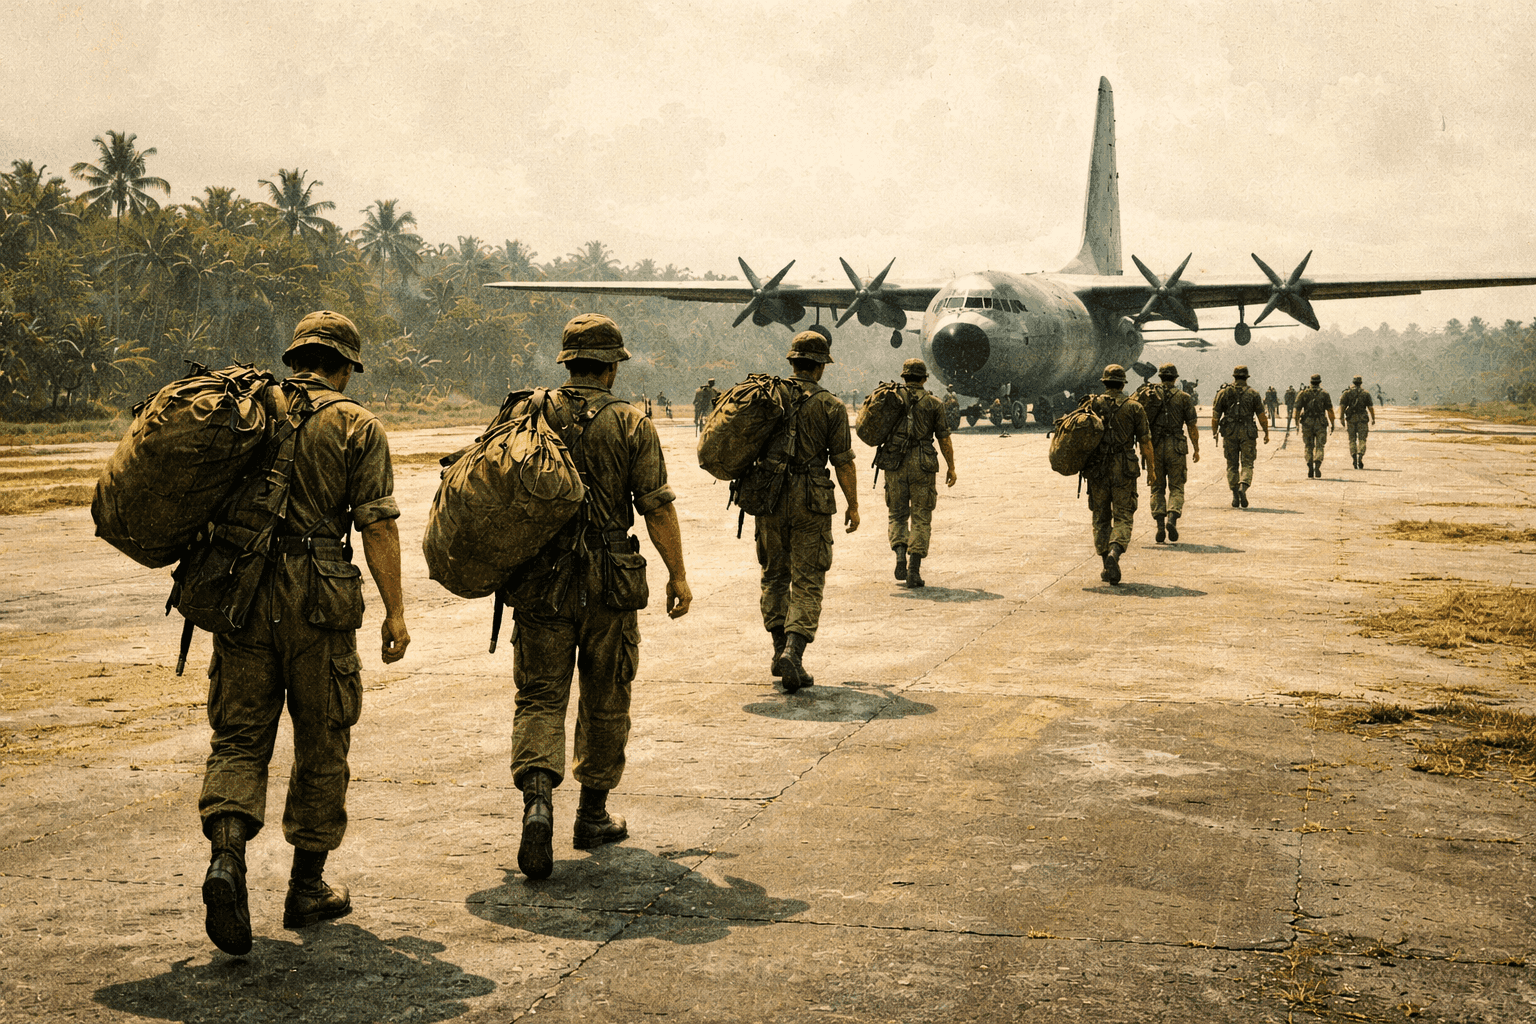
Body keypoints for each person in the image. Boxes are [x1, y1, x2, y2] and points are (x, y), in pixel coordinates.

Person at [199, 310, 410, 956]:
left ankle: (227, 859)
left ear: (294, 359)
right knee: (323, 739)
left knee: (239, 737)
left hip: (243, 591)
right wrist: (396, 611)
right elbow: (377, 524)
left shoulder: (247, 411)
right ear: (344, 367)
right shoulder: (356, 424)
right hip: (319, 597)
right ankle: (306, 888)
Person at [505, 314, 691, 881]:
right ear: (612, 368)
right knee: (607, 696)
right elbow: (656, 506)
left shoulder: (528, 412)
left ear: (568, 362)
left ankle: (538, 804)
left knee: (540, 697)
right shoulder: (631, 423)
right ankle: (591, 816)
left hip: (542, 580)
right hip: (609, 580)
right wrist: (678, 575)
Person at [757, 330, 859, 692]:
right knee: (808, 578)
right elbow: (843, 461)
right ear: (820, 366)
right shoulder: (831, 405)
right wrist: (853, 504)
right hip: (811, 499)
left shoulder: (767, 397)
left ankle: (778, 650)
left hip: (769, 497)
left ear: (792, 361)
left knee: (774, 575)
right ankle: (793, 654)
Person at [880, 358, 958, 589]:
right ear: (924, 379)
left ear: (904, 377)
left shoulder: (891, 399)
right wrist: (951, 466)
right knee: (921, 516)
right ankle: (913, 570)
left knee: (897, 514)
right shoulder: (934, 403)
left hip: (894, 462)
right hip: (923, 463)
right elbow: (944, 438)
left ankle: (900, 556)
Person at [1084, 365, 1155, 585]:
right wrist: (1152, 470)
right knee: (1123, 515)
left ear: (1104, 382)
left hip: (1098, 468)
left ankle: (1106, 563)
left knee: (1100, 516)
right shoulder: (1134, 407)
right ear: (1123, 384)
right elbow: (1145, 442)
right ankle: (1114, 553)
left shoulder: (1092, 404)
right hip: (1124, 467)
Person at [1137, 363, 1200, 542]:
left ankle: (1159, 526)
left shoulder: (1149, 395)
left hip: (1155, 446)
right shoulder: (1184, 397)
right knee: (1177, 486)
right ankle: (1171, 519)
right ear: (1175, 378)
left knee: (1157, 487)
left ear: (1160, 377)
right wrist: (1196, 448)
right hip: (1176, 446)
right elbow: (1192, 426)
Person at [1210, 365, 1270, 507]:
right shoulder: (1253, 394)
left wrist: (1214, 432)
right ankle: (1243, 486)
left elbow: (1215, 416)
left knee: (1232, 464)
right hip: (1247, 431)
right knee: (1247, 463)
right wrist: (1266, 432)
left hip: (1230, 432)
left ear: (1234, 377)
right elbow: (1261, 416)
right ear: (1246, 377)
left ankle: (1235, 494)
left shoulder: (1223, 393)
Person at [1295, 373, 1336, 477]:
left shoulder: (1303, 393)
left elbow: (1297, 410)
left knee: (1308, 445)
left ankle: (1309, 464)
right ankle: (1317, 464)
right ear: (1319, 382)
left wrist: (1296, 424)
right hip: (1320, 422)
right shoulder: (1324, 394)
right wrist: (1332, 423)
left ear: (1310, 382)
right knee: (1320, 446)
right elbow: (1330, 410)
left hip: (1307, 422)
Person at [1340, 374, 1376, 468]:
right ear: (1361, 383)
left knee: (1352, 439)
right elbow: (1370, 407)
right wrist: (1373, 418)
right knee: (1362, 439)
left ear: (1353, 382)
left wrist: (1341, 418)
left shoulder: (1347, 393)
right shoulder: (1365, 393)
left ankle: (1354, 456)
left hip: (1351, 419)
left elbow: (1342, 406)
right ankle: (1360, 455)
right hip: (1362, 419)